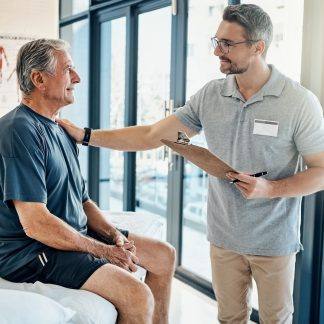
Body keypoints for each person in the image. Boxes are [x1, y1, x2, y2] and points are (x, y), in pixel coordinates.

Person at [58, 4, 324, 323]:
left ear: (258, 47)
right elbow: (152, 135)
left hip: (274, 241)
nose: (217, 52)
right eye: (216, 41)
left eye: (228, 44)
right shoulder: (211, 95)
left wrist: (270, 189)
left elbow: (320, 171)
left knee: (275, 319)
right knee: (229, 318)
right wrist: (87, 135)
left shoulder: (298, 101)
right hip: (224, 236)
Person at [0, 39, 176, 324]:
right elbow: (36, 224)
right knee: (137, 295)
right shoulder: (18, 130)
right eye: (68, 69)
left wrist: (114, 235)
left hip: (68, 235)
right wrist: (105, 251)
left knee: (163, 255)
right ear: (39, 79)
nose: (77, 78)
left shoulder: (61, 129)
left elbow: (83, 201)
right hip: (32, 251)